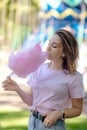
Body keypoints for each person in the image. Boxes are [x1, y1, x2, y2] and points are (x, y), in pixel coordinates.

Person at [2, 29, 85, 130]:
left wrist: (59, 114)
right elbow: (32, 101)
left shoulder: (74, 78)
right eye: (48, 44)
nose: (48, 48)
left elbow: (77, 109)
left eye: (54, 46)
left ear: (64, 53)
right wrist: (17, 88)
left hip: (52, 125)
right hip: (32, 121)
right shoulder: (38, 68)